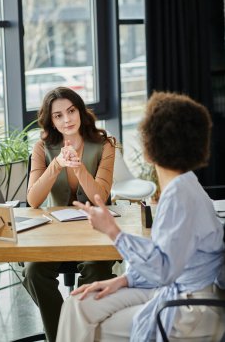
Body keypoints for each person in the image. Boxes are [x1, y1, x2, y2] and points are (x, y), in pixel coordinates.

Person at [56, 91, 225, 342]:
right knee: (78, 304)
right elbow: (168, 255)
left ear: (150, 148)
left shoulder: (180, 195)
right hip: (176, 288)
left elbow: (163, 269)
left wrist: (113, 230)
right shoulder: (185, 184)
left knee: (91, 327)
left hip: (190, 307)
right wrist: (123, 280)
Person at [22, 87, 117, 342]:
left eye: (71, 111)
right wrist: (57, 164)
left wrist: (78, 166)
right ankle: (61, 334)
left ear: (80, 110)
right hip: (55, 233)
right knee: (33, 272)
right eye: (58, 116)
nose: (67, 120)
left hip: (95, 229)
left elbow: (100, 198)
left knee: (96, 269)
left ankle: (78, 328)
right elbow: (32, 199)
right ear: (51, 121)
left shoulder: (104, 143)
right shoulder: (43, 147)